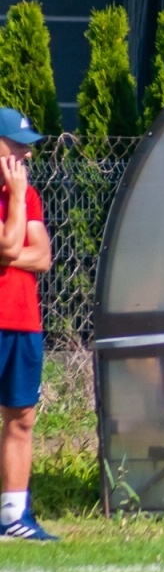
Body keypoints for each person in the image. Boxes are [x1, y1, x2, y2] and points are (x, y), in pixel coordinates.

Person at [0, 107, 54, 541]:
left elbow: (43, 256)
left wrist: (10, 252)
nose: (26, 155)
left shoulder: (29, 194)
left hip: (24, 323)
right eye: (18, 144)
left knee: (21, 418)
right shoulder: (21, 195)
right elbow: (7, 243)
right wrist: (15, 200)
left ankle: (14, 517)